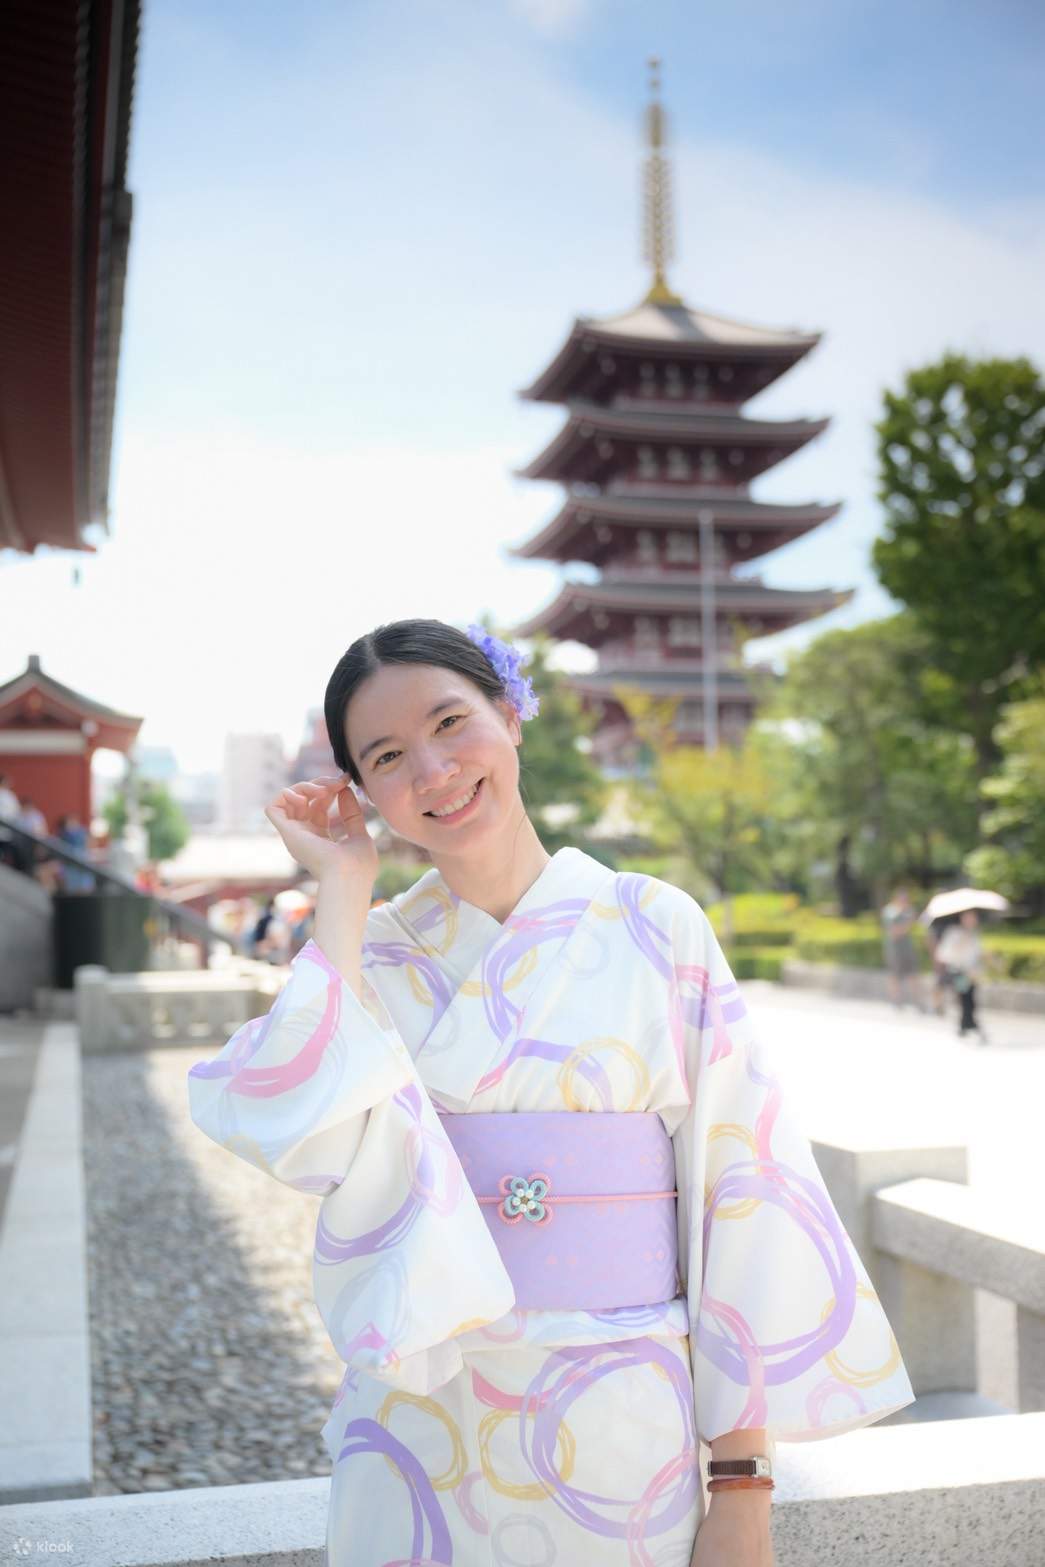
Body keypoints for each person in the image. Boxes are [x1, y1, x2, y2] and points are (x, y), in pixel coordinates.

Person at [187, 619, 915, 1567]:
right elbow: (305, 1134)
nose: (435, 769)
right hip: (423, 1417)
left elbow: (740, 1191)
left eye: (452, 722)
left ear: (512, 713)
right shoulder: (367, 955)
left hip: (621, 1413)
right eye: (389, 756)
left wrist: (740, 1483)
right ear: (362, 792)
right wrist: (344, 886)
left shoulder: (655, 924)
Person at [935, 909, 988, 1043]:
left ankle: (965, 1025)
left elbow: (977, 953)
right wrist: (961, 942)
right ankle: (968, 1025)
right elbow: (943, 954)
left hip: (972, 972)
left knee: (970, 998)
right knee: (965, 998)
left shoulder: (974, 934)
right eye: (969, 918)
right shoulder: (954, 933)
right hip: (959, 971)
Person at [880, 887, 921, 1009]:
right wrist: (906, 924)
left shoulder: (908, 911)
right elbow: (893, 931)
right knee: (895, 975)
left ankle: (916, 1000)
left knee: (913, 973)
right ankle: (896, 1001)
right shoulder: (890, 911)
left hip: (907, 948)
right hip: (894, 949)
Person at [55, 813, 96, 892]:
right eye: (70, 822)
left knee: (85, 885)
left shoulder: (81, 832)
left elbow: (91, 842)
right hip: (70, 865)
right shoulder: (64, 834)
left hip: (82, 862)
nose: (73, 823)